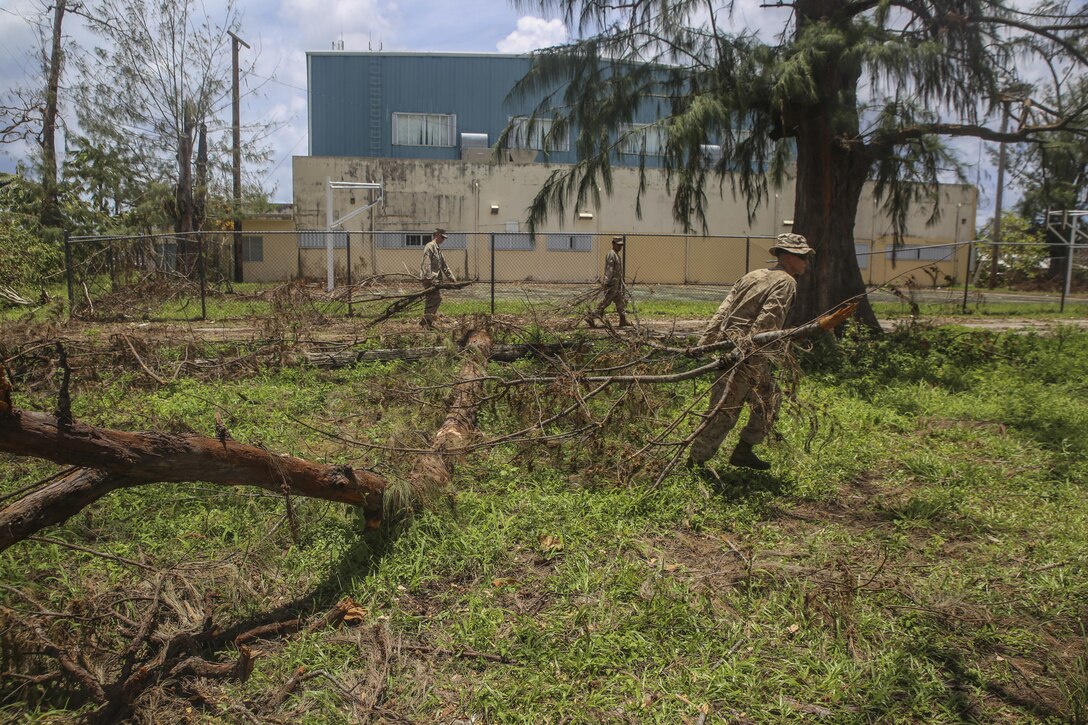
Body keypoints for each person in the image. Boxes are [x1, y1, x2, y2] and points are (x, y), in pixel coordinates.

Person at [687, 232, 815, 471]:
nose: (805, 261)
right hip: (747, 356)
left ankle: (744, 451)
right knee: (725, 411)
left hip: (737, 350)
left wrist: (707, 342)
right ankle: (694, 464)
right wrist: (743, 352)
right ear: (786, 256)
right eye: (801, 256)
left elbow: (723, 311)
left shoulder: (751, 275)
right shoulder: (786, 282)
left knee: (769, 399)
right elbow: (768, 320)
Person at [588, 235, 629, 327]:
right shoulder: (611, 254)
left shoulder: (616, 255)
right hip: (612, 283)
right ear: (613, 244)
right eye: (618, 245)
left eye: (621, 245)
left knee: (620, 302)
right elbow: (609, 269)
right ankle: (592, 315)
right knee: (607, 301)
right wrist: (606, 282)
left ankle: (623, 320)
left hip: (617, 284)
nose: (620, 247)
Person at [419, 227, 456, 327]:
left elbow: (444, 265)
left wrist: (452, 278)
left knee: (432, 299)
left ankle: (426, 321)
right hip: (429, 278)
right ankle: (426, 322)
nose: (443, 240)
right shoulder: (430, 246)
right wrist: (429, 278)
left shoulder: (438, 249)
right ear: (437, 235)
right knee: (435, 298)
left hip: (435, 279)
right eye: (442, 237)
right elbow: (426, 263)